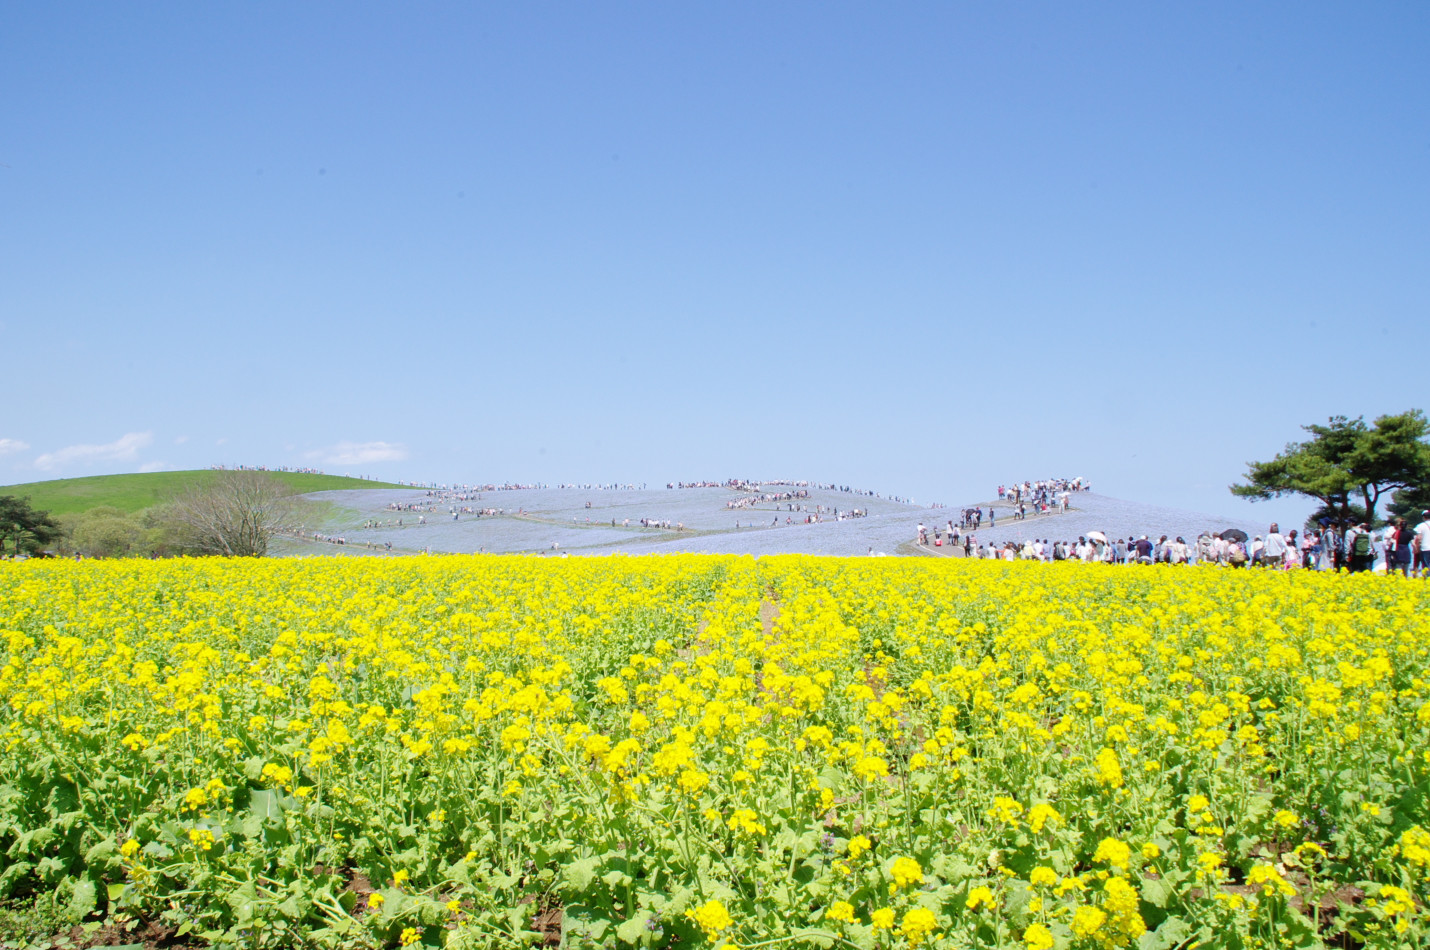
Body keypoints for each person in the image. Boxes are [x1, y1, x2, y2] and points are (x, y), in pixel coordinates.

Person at [1414, 510, 1430, 578]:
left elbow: (1419, 538)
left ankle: (1427, 579)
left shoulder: (1420, 526)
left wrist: (1417, 548)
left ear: (1424, 517)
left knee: (1426, 566)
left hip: (1425, 548)